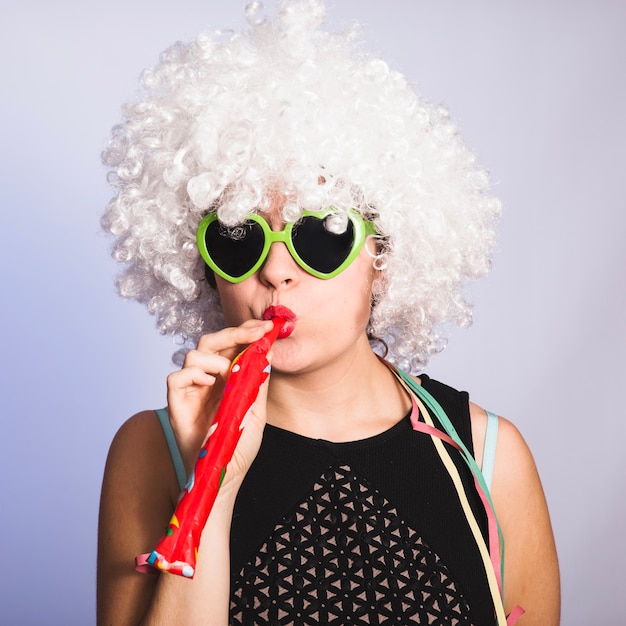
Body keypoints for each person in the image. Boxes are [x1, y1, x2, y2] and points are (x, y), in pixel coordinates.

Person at [97, 1, 560, 624]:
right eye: (239, 236)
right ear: (205, 267)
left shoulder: (487, 457)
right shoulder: (156, 452)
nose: (276, 271)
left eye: (321, 236)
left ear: (384, 255)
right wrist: (214, 482)